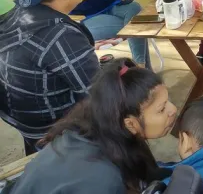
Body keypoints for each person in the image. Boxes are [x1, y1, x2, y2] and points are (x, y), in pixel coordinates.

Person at [10, 58, 178, 194]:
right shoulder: (105, 180)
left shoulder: (95, 131)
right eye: (161, 109)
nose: (173, 110)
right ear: (130, 124)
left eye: (168, 101)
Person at [0, 0, 100, 155]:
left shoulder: (18, 12)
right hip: (59, 136)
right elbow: (98, 97)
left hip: (25, 125)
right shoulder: (62, 35)